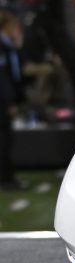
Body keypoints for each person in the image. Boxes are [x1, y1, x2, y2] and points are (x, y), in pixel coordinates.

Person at [0, 10, 26, 190]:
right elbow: (2, 78)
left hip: (6, 99)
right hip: (1, 102)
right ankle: (5, 179)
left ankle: (7, 177)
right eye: (14, 27)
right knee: (4, 140)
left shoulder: (8, 45)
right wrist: (9, 102)